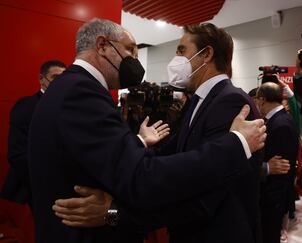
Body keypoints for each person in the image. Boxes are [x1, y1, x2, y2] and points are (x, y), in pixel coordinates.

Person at [28, 18, 266, 243]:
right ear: (102, 46)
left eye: (181, 51)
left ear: (207, 55)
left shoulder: (230, 101)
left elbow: (211, 191)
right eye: (130, 50)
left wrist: (115, 212)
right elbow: (147, 171)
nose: (134, 58)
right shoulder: (81, 91)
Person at [1, 60, 66, 206]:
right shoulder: (26, 106)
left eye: (63, 78)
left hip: (67, 185)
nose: (60, 82)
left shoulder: (72, 106)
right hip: (37, 186)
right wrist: (41, 182)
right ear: (41, 79)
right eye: (55, 78)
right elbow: (17, 153)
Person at [255, 82, 299, 243]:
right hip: (270, 195)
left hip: (272, 196)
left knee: (269, 235)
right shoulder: (276, 120)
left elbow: (280, 167)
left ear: (262, 99)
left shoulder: (280, 123)